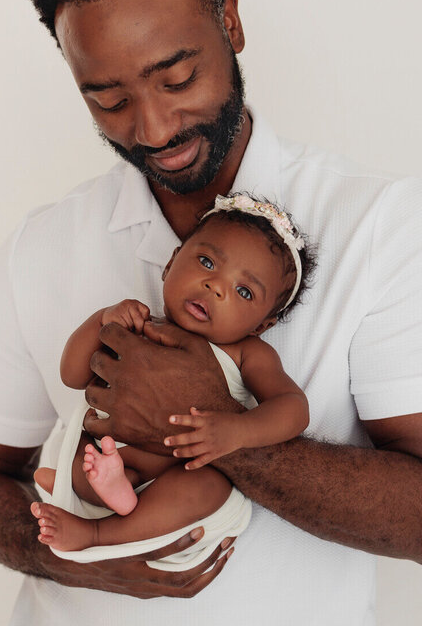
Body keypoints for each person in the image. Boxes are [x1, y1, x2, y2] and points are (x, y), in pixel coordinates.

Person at [0, 0, 422, 626]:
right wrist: (91, 562)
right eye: (108, 100)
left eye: (176, 78)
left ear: (230, 21)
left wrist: (216, 424)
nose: (154, 126)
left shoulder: (380, 226)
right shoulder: (38, 248)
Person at [30, 194, 314, 556]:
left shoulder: (248, 353)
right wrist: (102, 322)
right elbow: (71, 374)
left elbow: (293, 408)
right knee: (83, 449)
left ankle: (97, 532)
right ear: (171, 263)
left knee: (210, 488)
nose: (216, 286)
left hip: (172, 479)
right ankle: (88, 486)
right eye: (207, 261)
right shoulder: (137, 324)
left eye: (243, 291)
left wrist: (240, 429)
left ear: (263, 324)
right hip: (108, 454)